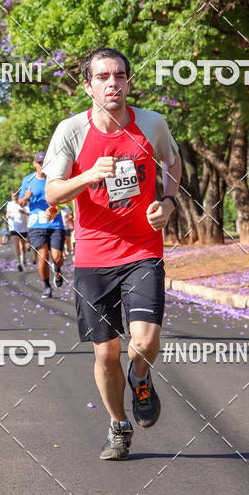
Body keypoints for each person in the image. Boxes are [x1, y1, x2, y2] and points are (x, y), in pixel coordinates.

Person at [44, 47, 181, 460]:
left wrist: (169, 202)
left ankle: (140, 377)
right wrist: (87, 175)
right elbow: (53, 192)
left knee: (146, 339)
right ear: (87, 85)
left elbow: (173, 162)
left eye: (120, 75)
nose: (113, 83)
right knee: (105, 353)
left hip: (142, 248)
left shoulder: (152, 123)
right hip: (93, 257)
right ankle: (118, 426)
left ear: (128, 81)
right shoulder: (70, 131)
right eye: (103, 77)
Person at [18, 151, 66, 297]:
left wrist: (56, 207)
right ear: (34, 164)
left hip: (55, 223)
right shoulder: (28, 180)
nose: (42, 165)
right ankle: (46, 286)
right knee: (43, 256)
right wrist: (25, 197)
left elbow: (64, 198)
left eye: (44, 162)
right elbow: (20, 202)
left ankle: (57, 270)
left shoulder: (55, 178)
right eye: (39, 163)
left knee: (57, 257)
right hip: (36, 224)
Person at [6, 190, 29, 271]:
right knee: (16, 245)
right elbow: (7, 214)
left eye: (16, 196)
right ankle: (18, 263)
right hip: (14, 228)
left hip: (23, 228)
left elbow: (29, 214)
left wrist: (22, 211)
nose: (14, 197)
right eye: (13, 196)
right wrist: (8, 216)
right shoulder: (9, 204)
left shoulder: (23, 204)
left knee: (22, 247)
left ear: (18, 196)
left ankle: (24, 258)